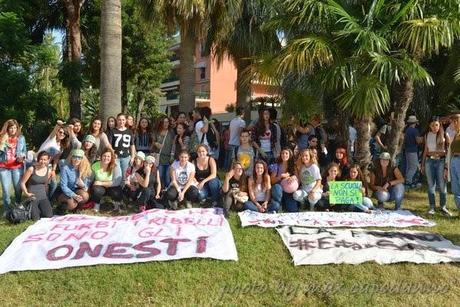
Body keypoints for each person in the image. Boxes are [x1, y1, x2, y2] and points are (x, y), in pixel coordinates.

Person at [421, 116, 450, 215]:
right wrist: (423, 164)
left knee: (442, 185)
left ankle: (443, 207)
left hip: (441, 162)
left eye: (436, 125)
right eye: (432, 125)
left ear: (439, 125)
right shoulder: (426, 135)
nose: (435, 127)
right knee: (430, 185)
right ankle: (432, 207)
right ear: (429, 126)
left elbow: (448, 150)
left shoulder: (445, 135)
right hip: (429, 161)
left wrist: (447, 165)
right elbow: (425, 150)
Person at [0, 119, 27, 215]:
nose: (13, 130)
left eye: (15, 127)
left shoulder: (21, 138)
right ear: (7, 128)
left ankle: (18, 205)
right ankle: (7, 209)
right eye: (11, 128)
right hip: (4, 167)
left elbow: (24, 151)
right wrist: (2, 142)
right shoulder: (2, 137)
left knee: (18, 189)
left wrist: (22, 157)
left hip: (17, 167)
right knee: (6, 190)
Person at [20, 151, 53, 220]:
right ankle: (29, 206)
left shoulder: (48, 170)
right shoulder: (31, 169)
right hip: (32, 197)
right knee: (36, 218)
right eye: (41, 159)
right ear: (38, 159)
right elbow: (22, 183)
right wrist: (26, 193)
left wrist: (46, 197)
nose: (43, 161)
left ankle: (41, 208)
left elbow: (45, 184)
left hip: (43, 196)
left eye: (45, 160)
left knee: (49, 215)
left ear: (48, 160)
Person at [57, 149, 91, 213]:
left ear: (82, 159)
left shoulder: (85, 168)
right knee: (71, 204)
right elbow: (63, 186)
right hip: (65, 192)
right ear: (71, 158)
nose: (77, 159)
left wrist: (83, 185)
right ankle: (62, 207)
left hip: (78, 190)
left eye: (79, 157)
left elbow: (86, 188)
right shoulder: (65, 168)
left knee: (85, 196)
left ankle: (78, 208)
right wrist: (74, 195)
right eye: (74, 157)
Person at [90, 148, 123, 213]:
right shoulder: (95, 165)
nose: (106, 158)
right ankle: (97, 205)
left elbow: (117, 182)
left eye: (108, 156)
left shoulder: (115, 166)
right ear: (101, 156)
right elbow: (90, 179)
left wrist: (101, 183)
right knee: (96, 190)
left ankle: (116, 204)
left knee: (117, 192)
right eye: (104, 156)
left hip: (112, 186)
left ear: (111, 157)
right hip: (100, 188)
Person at [107, 113, 135, 181]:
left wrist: (133, 157)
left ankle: (123, 190)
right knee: (117, 176)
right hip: (116, 157)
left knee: (125, 177)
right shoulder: (112, 131)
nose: (121, 121)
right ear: (117, 120)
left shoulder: (129, 131)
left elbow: (132, 145)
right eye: (119, 120)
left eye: (123, 120)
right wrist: (113, 153)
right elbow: (109, 144)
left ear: (126, 120)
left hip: (126, 157)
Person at [270, 148, 299, 212]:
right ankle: (279, 205)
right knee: (277, 188)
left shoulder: (293, 166)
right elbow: (272, 181)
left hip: (288, 190)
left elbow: (297, 178)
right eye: (282, 153)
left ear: (290, 155)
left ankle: (284, 205)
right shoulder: (276, 165)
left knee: (293, 210)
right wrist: (280, 176)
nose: (284, 155)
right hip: (278, 188)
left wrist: (294, 177)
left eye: (286, 153)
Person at [151, 116, 175, 188]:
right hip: (159, 157)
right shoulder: (156, 132)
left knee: (167, 178)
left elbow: (173, 144)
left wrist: (172, 155)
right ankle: (160, 192)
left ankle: (167, 193)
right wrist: (156, 143)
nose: (166, 124)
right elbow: (152, 142)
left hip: (168, 158)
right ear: (160, 122)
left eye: (167, 122)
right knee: (160, 176)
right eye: (164, 122)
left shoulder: (171, 132)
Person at [403, 115, 423, 188]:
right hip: (413, 150)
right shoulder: (415, 130)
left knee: (409, 166)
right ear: (415, 122)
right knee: (414, 167)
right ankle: (408, 182)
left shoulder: (407, 130)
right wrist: (422, 139)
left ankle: (407, 181)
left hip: (407, 150)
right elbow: (418, 141)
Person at [446, 114, 460, 212]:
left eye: (456, 121)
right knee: (455, 188)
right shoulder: (455, 135)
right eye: (453, 121)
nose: (454, 123)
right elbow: (450, 150)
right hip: (454, 161)